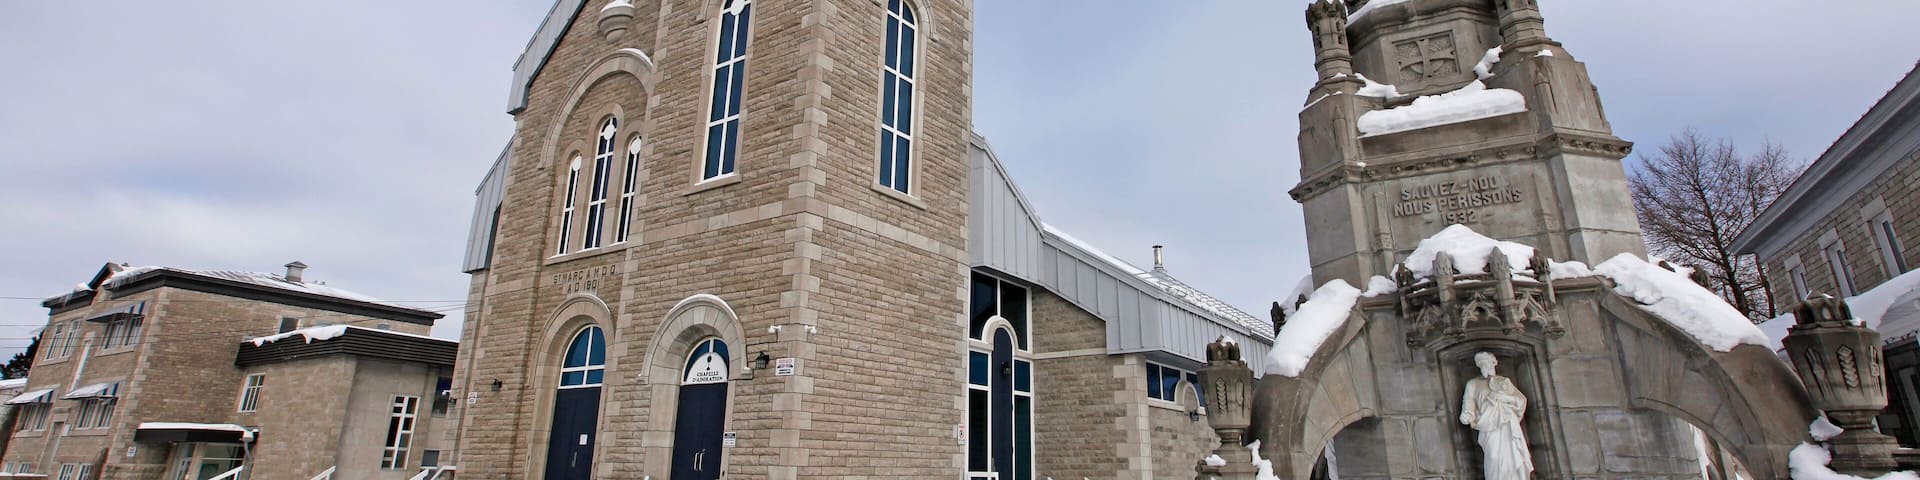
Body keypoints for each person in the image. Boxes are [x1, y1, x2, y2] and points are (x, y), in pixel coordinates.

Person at [1460, 351, 1533, 480]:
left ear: (1494, 363)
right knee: (1493, 455)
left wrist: (1505, 398)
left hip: (1507, 422)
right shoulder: (1473, 384)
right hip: (1487, 424)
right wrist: (1467, 415)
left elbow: (1520, 401)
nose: (1484, 367)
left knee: (1513, 453)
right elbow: (1468, 403)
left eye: (1486, 363)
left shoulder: (1504, 381)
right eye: (1481, 365)